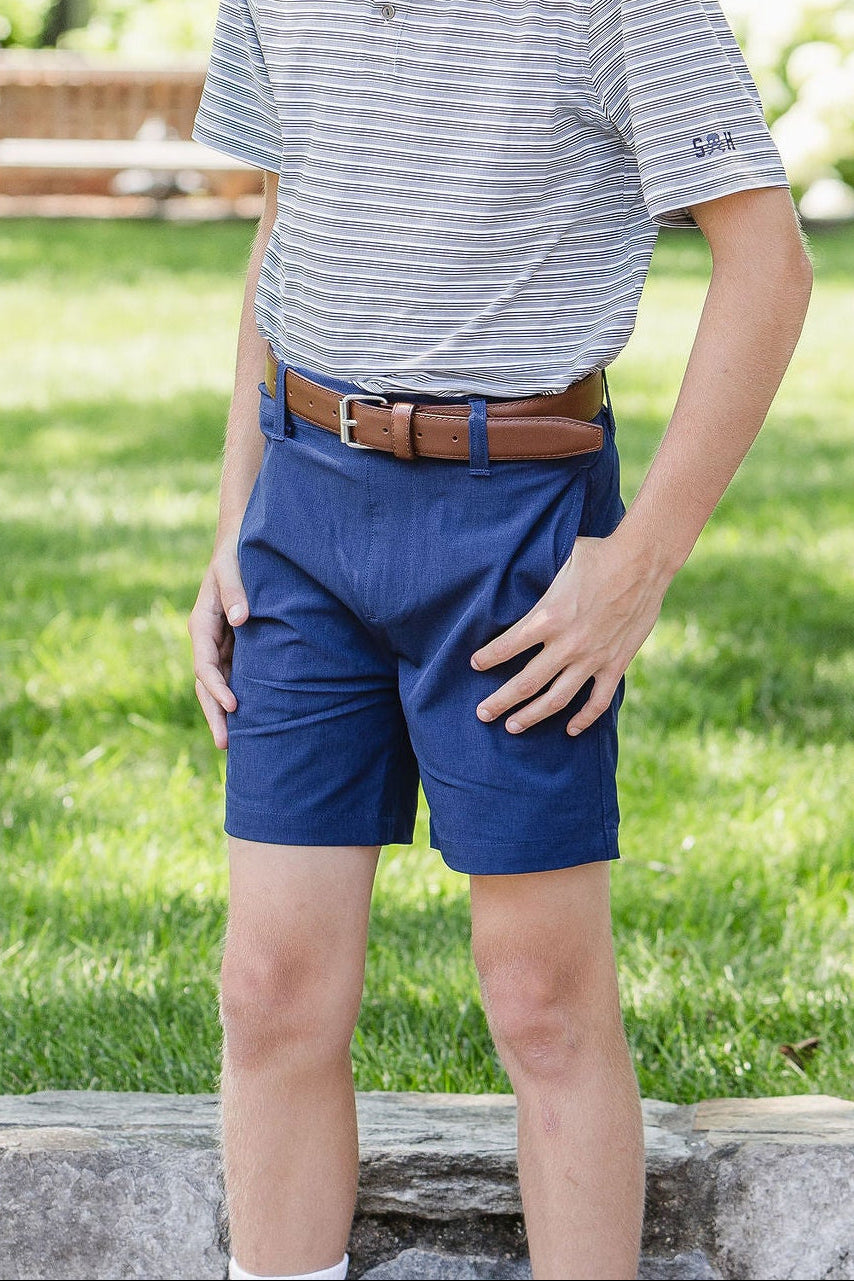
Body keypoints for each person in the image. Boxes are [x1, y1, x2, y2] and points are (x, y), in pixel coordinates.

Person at [187, 2, 812, 1277]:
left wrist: (636, 563)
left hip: (516, 524)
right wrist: (234, 511)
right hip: (303, 511)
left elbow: (768, 265)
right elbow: (289, 210)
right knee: (269, 996)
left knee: (541, 1000)